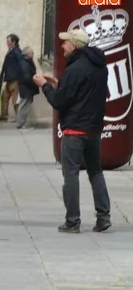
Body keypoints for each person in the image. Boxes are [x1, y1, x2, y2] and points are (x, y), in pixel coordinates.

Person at [33, 28, 111, 233]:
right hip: (94, 129)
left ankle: (72, 221)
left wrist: (45, 86)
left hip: (75, 130)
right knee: (96, 172)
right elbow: (83, 92)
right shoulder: (100, 67)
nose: (62, 46)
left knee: (71, 174)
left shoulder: (74, 69)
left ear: (74, 45)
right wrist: (59, 83)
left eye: (65, 42)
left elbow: (60, 102)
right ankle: (103, 217)